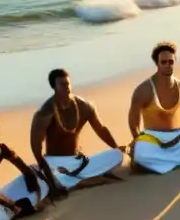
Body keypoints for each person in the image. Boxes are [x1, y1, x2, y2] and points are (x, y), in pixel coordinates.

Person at [29, 68, 126, 197]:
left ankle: (77, 179)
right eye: (62, 85)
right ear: (54, 87)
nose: (67, 87)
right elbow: (36, 144)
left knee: (117, 156)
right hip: (54, 162)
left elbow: (100, 129)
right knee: (55, 179)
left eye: (68, 83)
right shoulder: (45, 112)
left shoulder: (84, 106)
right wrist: (45, 169)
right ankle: (87, 180)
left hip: (79, 161)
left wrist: (116, 148)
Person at [127, 42, 180, 174]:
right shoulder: (143, 90)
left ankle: (162, 164)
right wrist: (136, 140)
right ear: (157, 63)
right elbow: (133, 122)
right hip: (152, 139)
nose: (168, 65)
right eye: (164, 62)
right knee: (141, 151)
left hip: (177, 139)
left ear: (175, 61)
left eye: (171, 62)